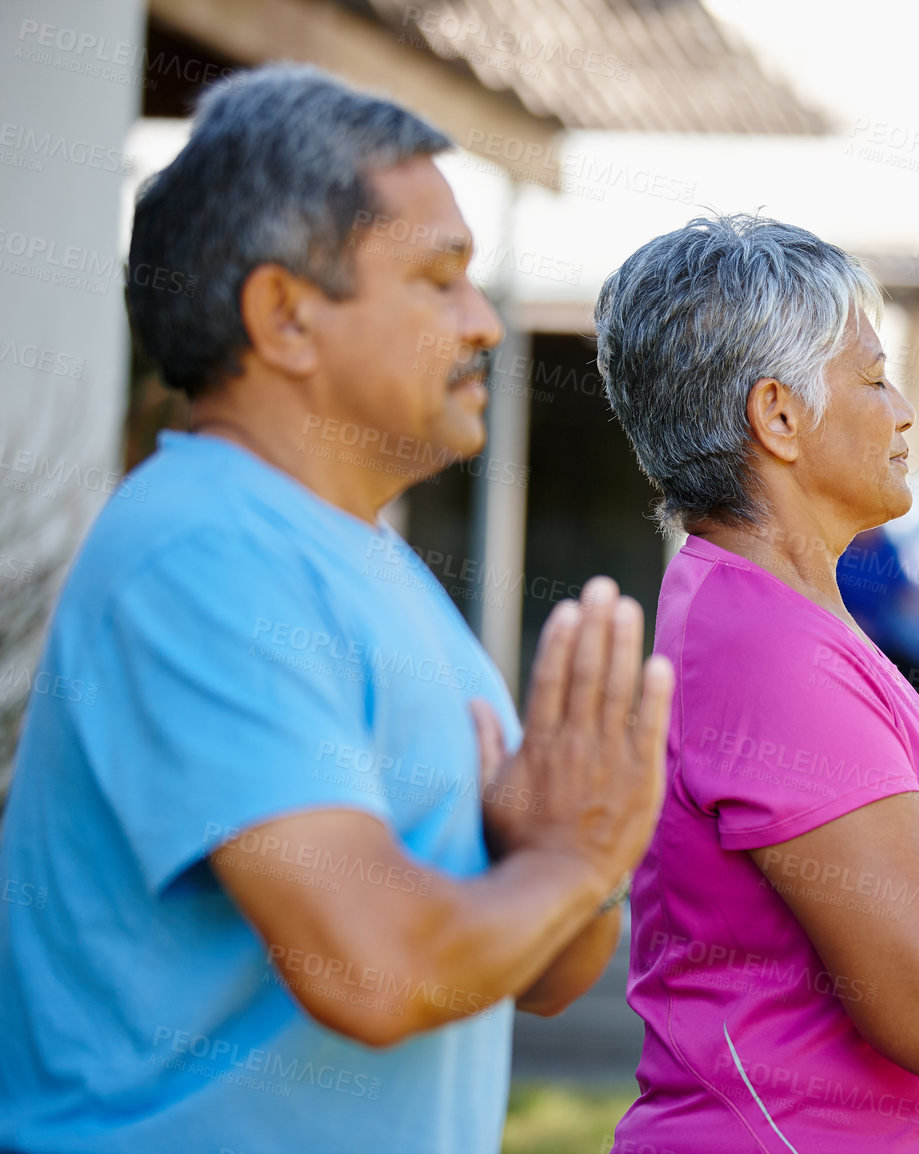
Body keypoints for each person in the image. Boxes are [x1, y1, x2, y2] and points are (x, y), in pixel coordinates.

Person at [0, 64, 670, 1153]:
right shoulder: (202, 551)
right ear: (286, 316)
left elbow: (545, 972)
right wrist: (570, 863)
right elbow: (374, 968)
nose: (487, 323)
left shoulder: (373, 563)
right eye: (440, 278)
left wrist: (565, 860)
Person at [596, 214, 919, 1152]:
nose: (901, 411)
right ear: (777, 417)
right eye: (873, 377)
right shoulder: (770, 653)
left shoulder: (789, 619)